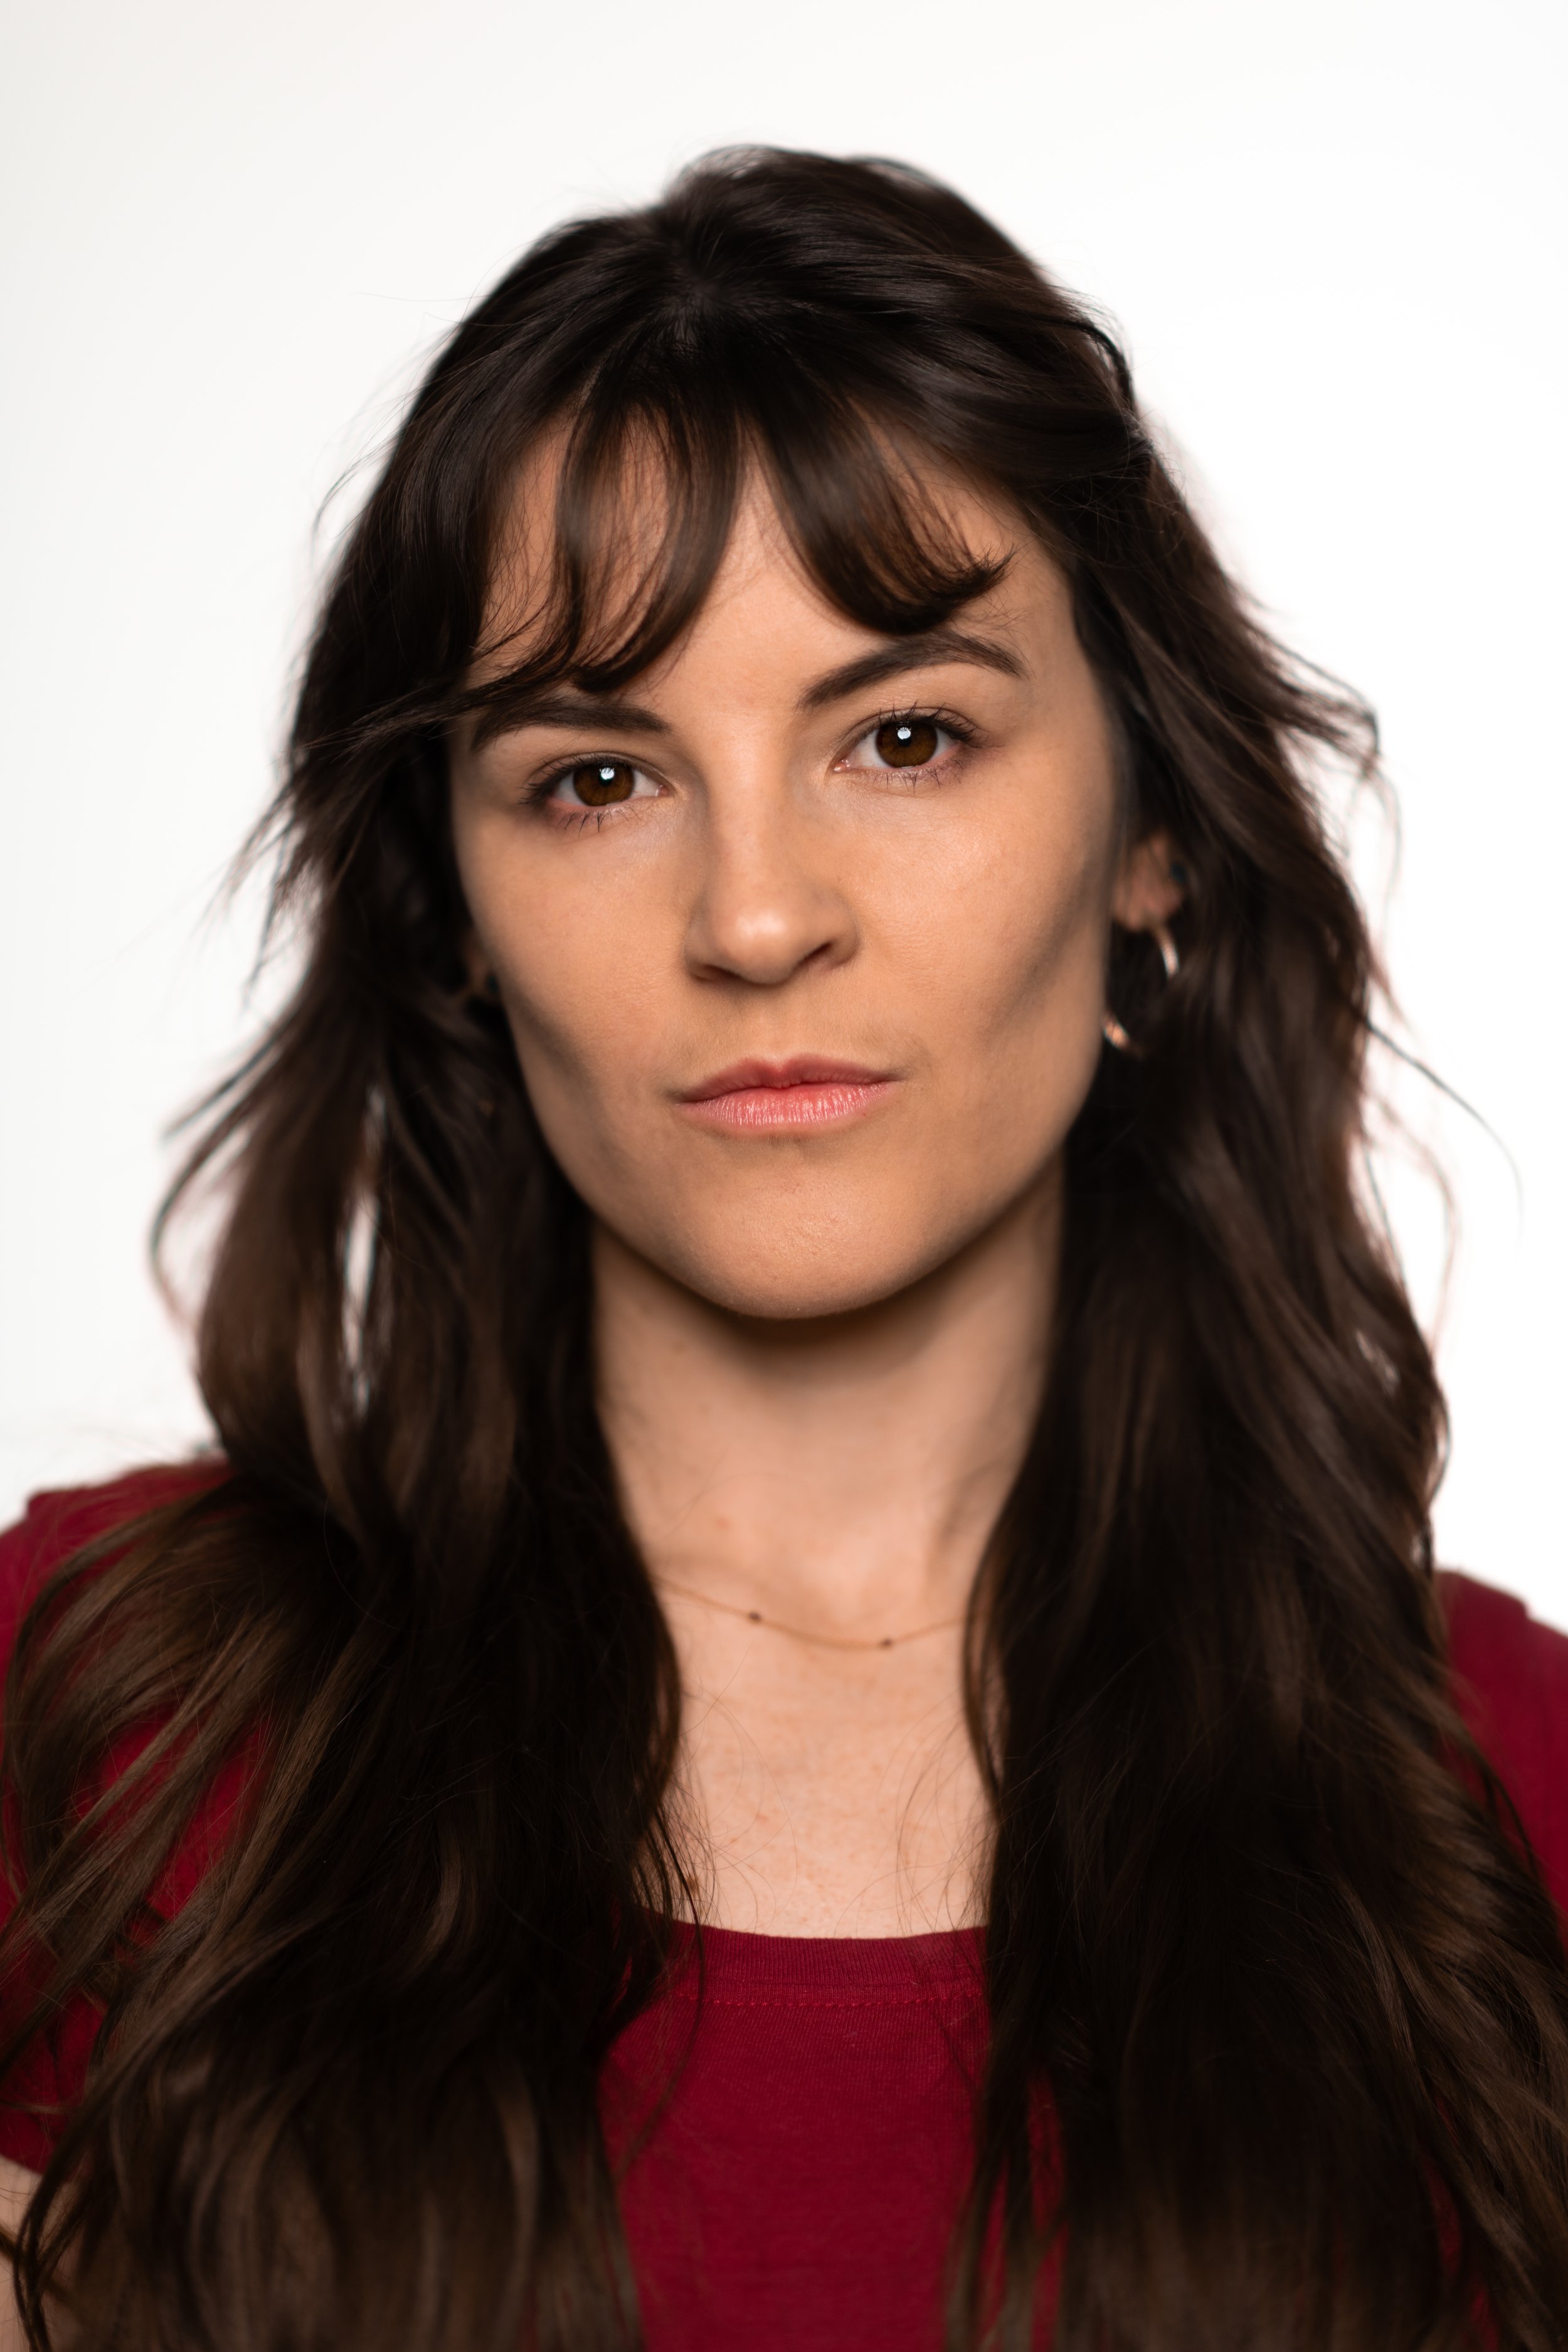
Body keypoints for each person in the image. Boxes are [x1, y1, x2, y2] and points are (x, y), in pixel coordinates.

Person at [1, 146, 1565, 2352]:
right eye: (595, 779)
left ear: (1151, 833)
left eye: (904, 739)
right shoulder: (97, 1718)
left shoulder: (1515, 1795)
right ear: (450, 908)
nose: (752, 917)